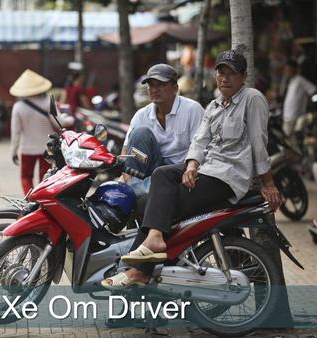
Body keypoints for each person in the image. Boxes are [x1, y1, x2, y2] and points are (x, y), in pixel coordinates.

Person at [102, 50, 282, 289]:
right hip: (206, 171)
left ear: (244, 76)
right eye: (221, 73)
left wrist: (268, 183)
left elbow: (259, 144)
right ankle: (153, 241)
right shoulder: (215, 105)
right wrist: (191, 165)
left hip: (227, 177)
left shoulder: (252, 98)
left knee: (161, 203)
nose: (225, 78)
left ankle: (138, 270)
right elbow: (200, 141)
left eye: (232, 74)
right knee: (161, 177)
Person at [121, 63, 204, 196]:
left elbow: (201, 146)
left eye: (161, 85)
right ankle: (136, 187)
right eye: (151, 86)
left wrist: (191, 168)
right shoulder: (142, 114)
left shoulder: (192, 109)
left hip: (181, 169)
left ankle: (136, 189)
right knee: (140, 133)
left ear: (175, 88)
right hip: (155, 168)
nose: (154, 90)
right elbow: (126, 150)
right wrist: (125, 174)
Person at [10, 69, 73, 195]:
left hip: (27, 148)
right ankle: (40, 204)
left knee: (26, 177)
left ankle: (29, 202)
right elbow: (59, 122)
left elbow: (16, 132)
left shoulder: (18, 107)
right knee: (44, 178)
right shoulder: (48, 102)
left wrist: (14, 151)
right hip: (47, 148)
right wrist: (71, 119)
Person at [280, 60, 317, 137]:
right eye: (286, 69)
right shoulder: (290, 81)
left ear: (295, 69)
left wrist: (311, 103)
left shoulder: (300, 80)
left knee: (294, 138)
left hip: (296, 115)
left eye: (289, 69)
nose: (287, 71)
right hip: (287, 115)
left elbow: (313, 91)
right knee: (288, 139)